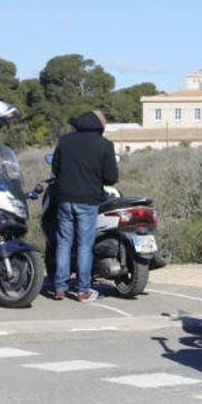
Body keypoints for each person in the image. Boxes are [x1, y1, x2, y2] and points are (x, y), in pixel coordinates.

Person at [52, 110, 119, 302]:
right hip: (88, 201)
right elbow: (111, 177)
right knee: (84, 246)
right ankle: (83, 290)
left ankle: (59, 288)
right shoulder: (104, 145)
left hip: (64, 199)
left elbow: (55, 168)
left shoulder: (65, 141)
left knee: (64, 243)